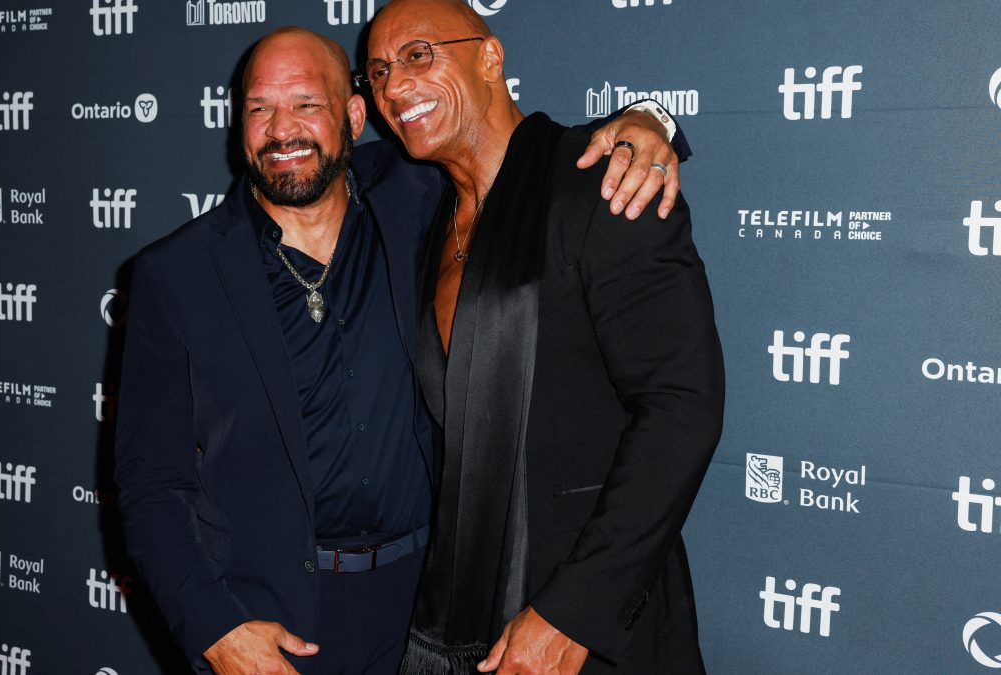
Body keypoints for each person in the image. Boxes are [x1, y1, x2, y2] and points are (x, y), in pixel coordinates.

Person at [114, 25, 689, 675]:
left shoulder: (417, 196)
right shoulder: (177, 274)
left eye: (307, 104)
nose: (282, 129)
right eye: (259, 108)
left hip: (431, 608)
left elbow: (527, 150)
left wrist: (647, 121)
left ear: (354, 116)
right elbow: (151, 481)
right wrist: (215, 625)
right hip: (273, 625)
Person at [363, 2, 725, 674]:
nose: (395, 86)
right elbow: (300, 153)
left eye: (419, 55)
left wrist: (574, 610)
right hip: (455, 620)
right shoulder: (421, 212)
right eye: (378, 72)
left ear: (490, 58)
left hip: (591, 626)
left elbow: (682, 405)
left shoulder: (603, 181)